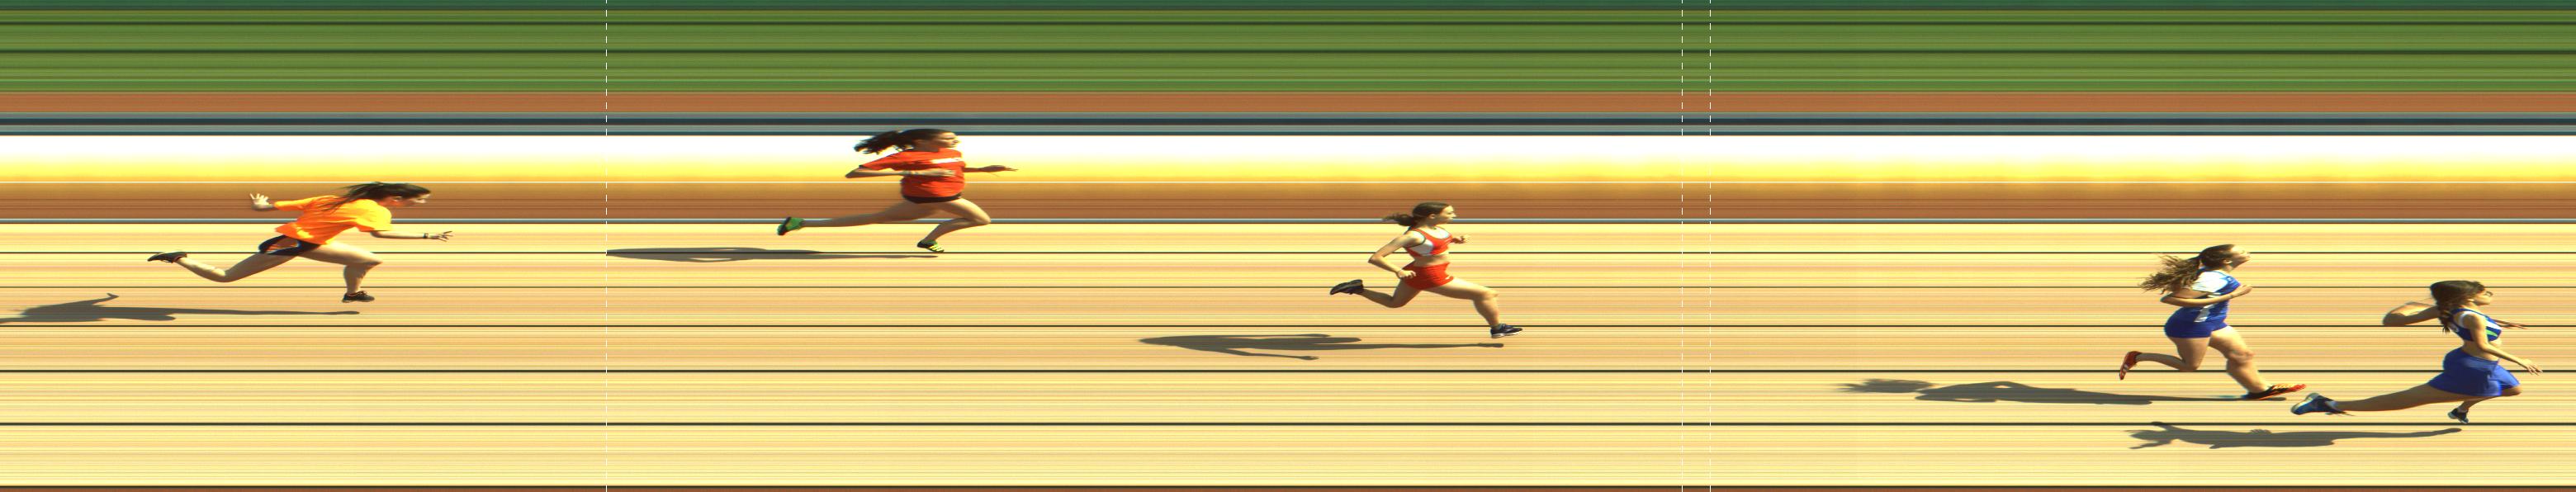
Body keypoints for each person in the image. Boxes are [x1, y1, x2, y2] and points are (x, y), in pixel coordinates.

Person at [145, 182, 452, 302]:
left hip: (308, 244)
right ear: (395, 199)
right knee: (225, 277)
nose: (420, 204)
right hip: (289, 245)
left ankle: (353, 294)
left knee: (368, 259)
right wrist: (427, 235)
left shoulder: (330, 199)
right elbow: (381, 234)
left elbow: (268, 208)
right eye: (418, 201)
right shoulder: (375, 211)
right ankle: (179, 257)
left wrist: (261, 204)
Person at [2294, 281, 2541, 421]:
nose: (2489, 294)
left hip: (2479, 364)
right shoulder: (2469, 316)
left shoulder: (2452, 310)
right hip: (2473, 368)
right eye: (2484, 292)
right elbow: (2482, 344)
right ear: (2468, 297)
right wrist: (2521, 360)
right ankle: (2327, 404)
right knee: (2409, 399)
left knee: (2512, 389)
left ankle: (2460, 410)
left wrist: (2498, 323)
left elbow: (2393, 320)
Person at [776, 129, 1016, 253]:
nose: (955, 141)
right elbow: (855, 173)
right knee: (981, 219)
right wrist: (914, 173)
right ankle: (928, 240)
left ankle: (800, 223)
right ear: (922, 142)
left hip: (926, 201)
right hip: (938, 197)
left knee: (874, 218)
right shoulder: (905, 157)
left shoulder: (951, 153)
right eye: (948, 138)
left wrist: (982, 169)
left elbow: (952, 169)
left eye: (954, 138)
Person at [2119, 244, 2304, 400]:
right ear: (2227, 261)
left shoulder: (2214, 274)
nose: (2246, 252)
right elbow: (2171, 299)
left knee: (2242, 355)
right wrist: (2233, 295)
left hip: (2212, 322)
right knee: (2189, 366)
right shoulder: (2212, 279)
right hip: (2191, 327)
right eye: (2241, 251)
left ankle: (2259, 390)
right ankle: (2137, 357)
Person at [1328, 201, 1521, 338]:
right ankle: (1497, 328)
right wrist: (1398, 271)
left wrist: (1456, 239)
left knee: (1395, 303)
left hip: (1418, 272)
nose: (1454, 216)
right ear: (1432, 216)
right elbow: (1376, 258)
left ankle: (1357, 288)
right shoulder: (1412, 236)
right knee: (1486, 294)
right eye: (1450, 213)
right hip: (1430, 276)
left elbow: (1435, 244)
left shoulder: (1438, 228)